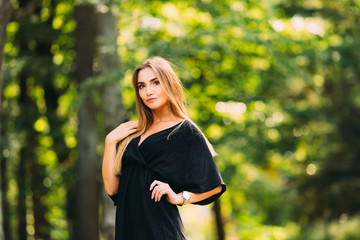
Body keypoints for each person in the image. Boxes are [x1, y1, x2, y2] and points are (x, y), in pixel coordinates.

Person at [102, 56, 226, 240]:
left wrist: (180, 197)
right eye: (141, 86)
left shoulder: (185, 131)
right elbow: (112, 189)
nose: (148, 91)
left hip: (160, 230)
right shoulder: (133, 132)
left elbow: (214, 186)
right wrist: (110, 141)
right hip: (128, 230)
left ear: (169, 84)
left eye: (155, 83)